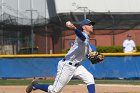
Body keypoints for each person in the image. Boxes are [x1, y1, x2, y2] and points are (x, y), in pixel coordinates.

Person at [26, 19, 101, 93]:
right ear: (84, 27)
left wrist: (97, 57)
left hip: (77, 66)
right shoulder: (81, 36)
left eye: (92, 25)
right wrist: (74, 28)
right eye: (89, 24)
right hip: (67, 66)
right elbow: (82, 37)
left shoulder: (88, 43)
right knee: (54, 90)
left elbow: (89, 55)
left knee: (90, 78)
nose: (91, 26)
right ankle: (35, 85)